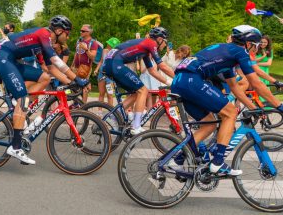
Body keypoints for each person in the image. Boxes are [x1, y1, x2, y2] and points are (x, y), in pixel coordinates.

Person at [171, 25, 283, 176]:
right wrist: (279, 106)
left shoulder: (228, 54)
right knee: (230, 113)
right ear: (248, 43)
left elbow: (235, 87)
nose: (256, 50)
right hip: (192, 80)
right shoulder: (240, 52)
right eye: (256, 46)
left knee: (209, 124)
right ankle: (218, 163)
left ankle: (176, 160)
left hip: (179, 82)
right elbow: (256, 83)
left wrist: (253, 107)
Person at [0, 15, 89, 164]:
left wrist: (70, 82)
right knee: (22, 99)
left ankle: (20, 107)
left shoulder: (45, 41)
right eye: (67, 33)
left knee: (45, 77)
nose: (68, 37)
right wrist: (77, 79)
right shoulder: (44, 34)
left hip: (11, 60)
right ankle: (15, 147)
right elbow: (57, 61)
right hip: (4, 58)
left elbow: (51, 68)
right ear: (58, 30)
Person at [102, 27, 175, 135]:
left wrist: (168, 82)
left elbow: (152, 71)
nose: (165, 44)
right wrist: (178, 78)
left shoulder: (145, 48)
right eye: (165, 41)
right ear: (159, 39)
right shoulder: (151, 43)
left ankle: (112, 117)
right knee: (143, 90)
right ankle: (135, 126)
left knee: (137, 92)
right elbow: (162, 66)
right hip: (115, 63)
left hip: (111, 63)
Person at [72, 24, 98, 103]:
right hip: (75, 67)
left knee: (84, 86)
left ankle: (83, 105)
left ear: (89, 32)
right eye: (80, 30)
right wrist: (72, 65)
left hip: (85, 68)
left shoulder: (93, 43)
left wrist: (86, 49)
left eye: (83, 31)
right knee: (74, 86)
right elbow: (76, 54)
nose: (81, 32)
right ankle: (75, 104)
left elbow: (93, 57)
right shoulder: (79, 40)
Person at [94, 37, 120, 106]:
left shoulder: (117, 54)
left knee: (110, 94)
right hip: (101, 74)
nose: (108, 45)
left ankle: (111, 112)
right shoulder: (104, 51)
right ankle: (99, 111)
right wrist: (96, 69)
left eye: (109, 44)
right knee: (101, 93)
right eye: (108, 44)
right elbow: (101, 61)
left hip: (110, 77)